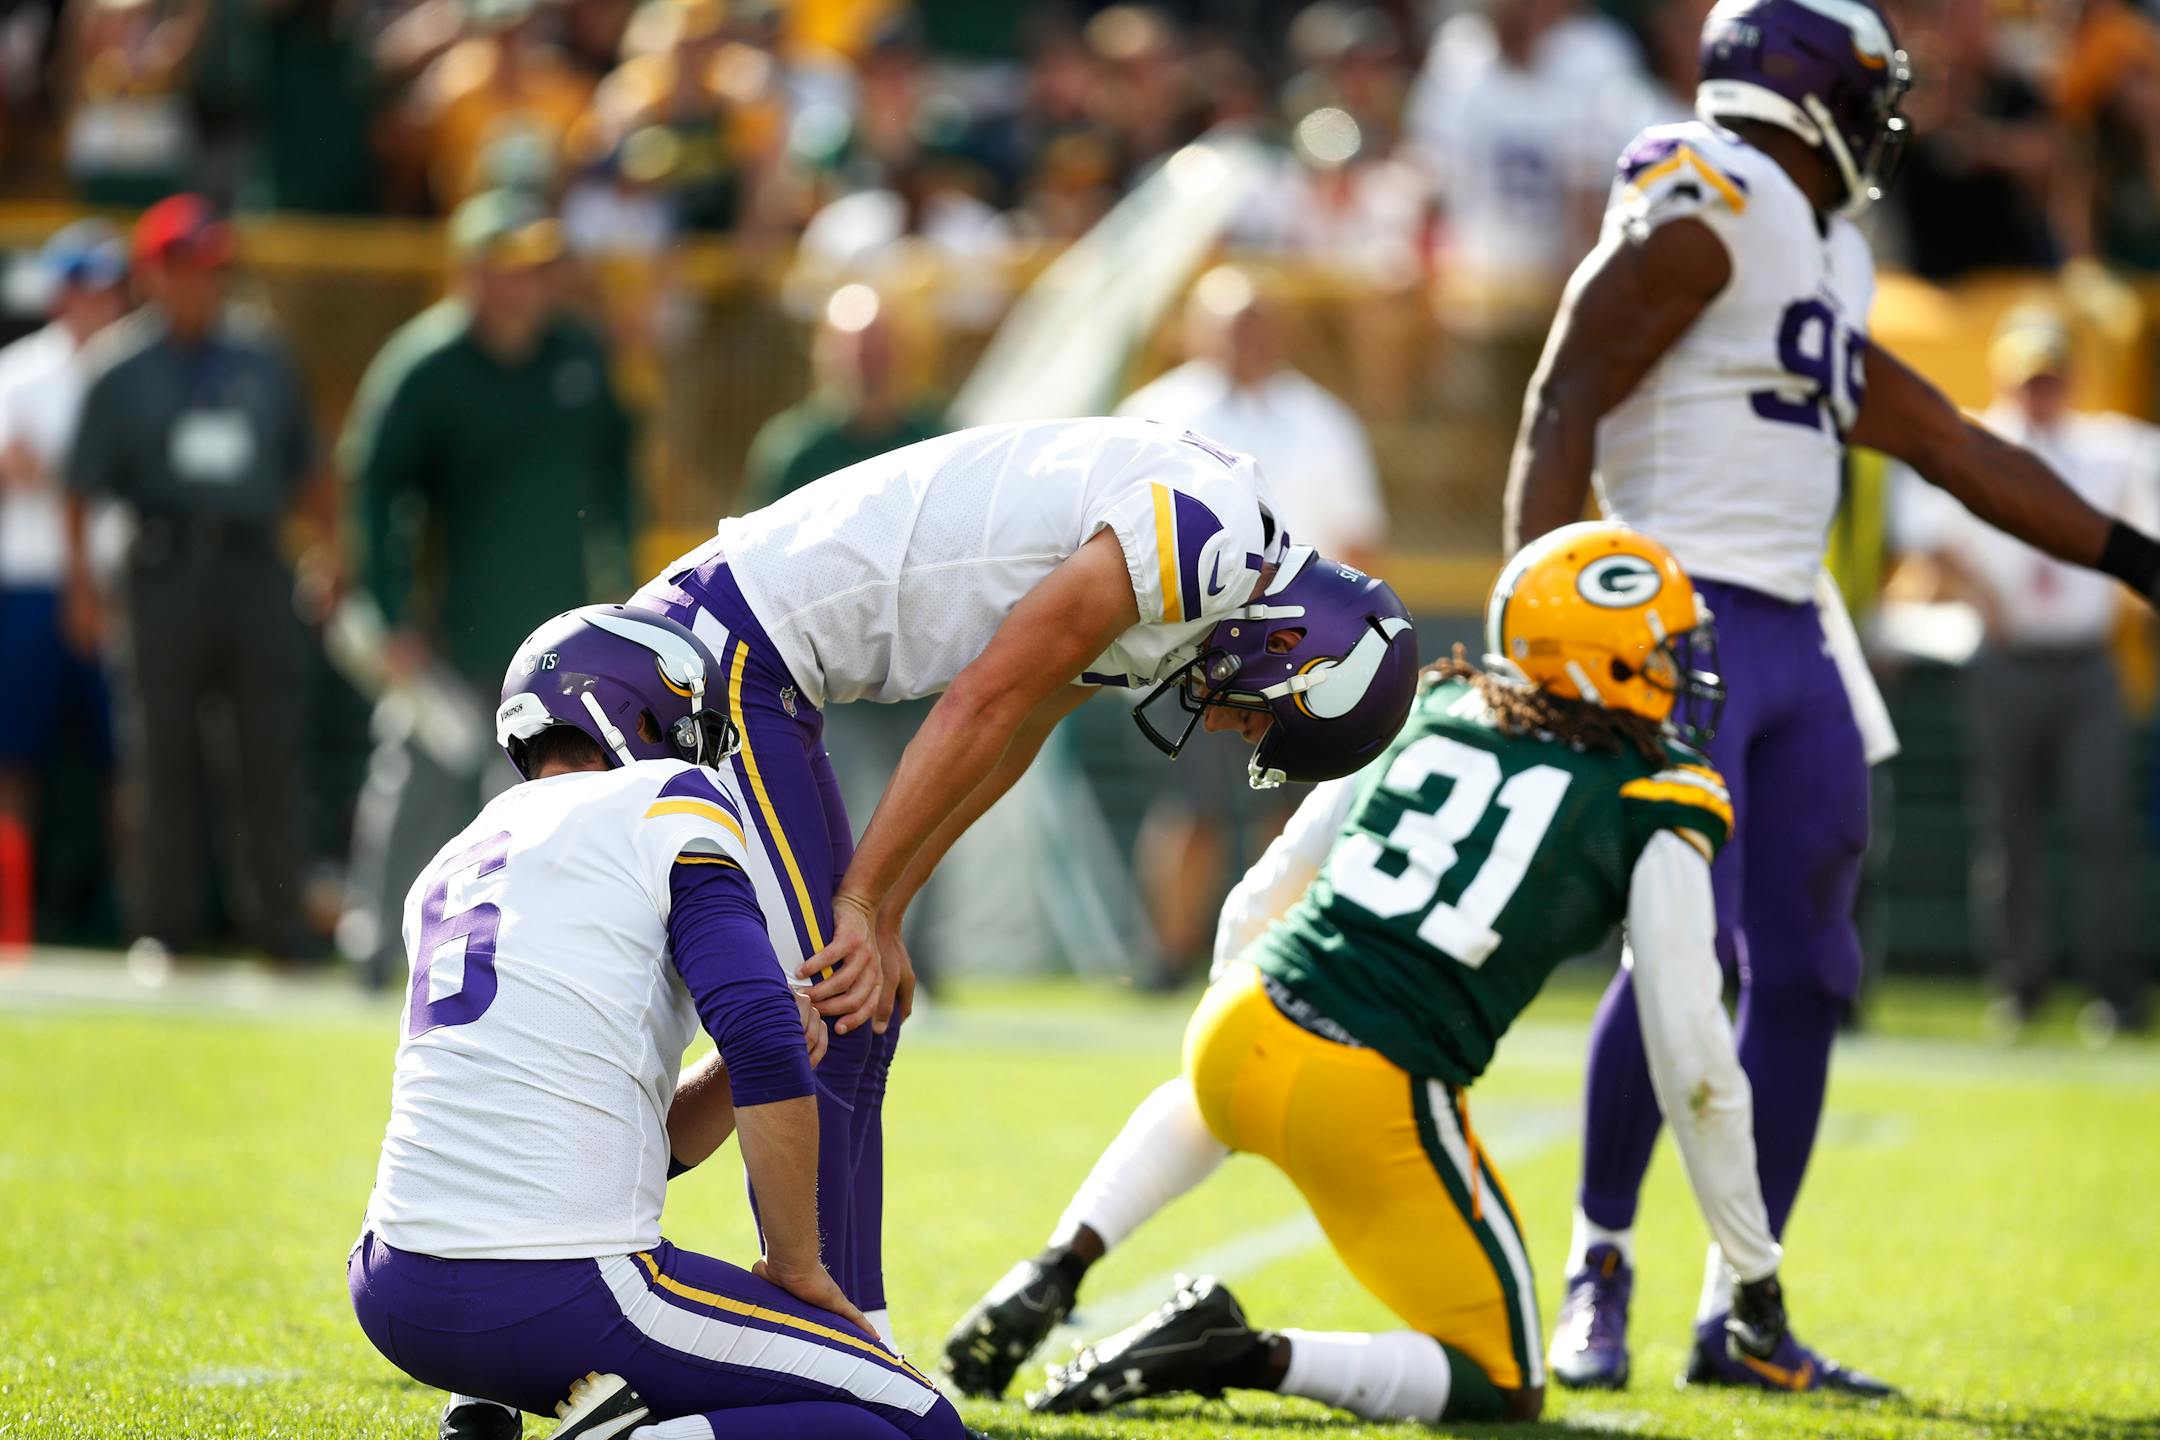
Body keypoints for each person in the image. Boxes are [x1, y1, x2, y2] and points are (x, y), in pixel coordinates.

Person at [1501, 0, 2160, 1390]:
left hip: (1798, 628)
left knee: (1808, 966)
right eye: (1867, 95)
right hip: (1671, 618)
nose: (1882, 124)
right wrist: (1531, 628)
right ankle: (1598, 1260)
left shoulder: (1823, 247)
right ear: (1809, 93)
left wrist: (2138, 558)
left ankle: (1744, 1311)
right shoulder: (1704, 183)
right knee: (1678, 953)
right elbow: (1566, 389)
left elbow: (1949, 444)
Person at [945, 524, 1882, 1422]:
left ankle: (1051, 1271)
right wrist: (1752, 1274)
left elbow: (1265, 889)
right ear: (1610, 659)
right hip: (1376, 1088)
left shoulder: (1432, 704)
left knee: (1221, 1077)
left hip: (1248, 1016)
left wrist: (1242, 1028)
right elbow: (1696, 1060)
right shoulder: (1656, 794)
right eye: (1667, 651)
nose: (1684, 674)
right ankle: (1239, 1351)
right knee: (1507, 1382)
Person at [626, 416, 1420, 1359]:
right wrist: (861, 902)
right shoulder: (1203, 544)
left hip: (775, 666)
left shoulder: (1211, 569)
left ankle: (841, 1337)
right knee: (831, 1003)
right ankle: (827, 1352)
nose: (1227, 731)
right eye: (1258, 722)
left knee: (858, 1008)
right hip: (729, 644)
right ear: (1294, 650)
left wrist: (892, 906)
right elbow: (981, 700)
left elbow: (1018, 732)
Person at [350, 604, 971, 1440]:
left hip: (394, 1290)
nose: (699, 750)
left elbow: (598, 1131)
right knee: (921, 1422)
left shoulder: (457, 855)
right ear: (638, 714)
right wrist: (796, 1266)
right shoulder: (663, 796)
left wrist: (733, 1061)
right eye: (689, 724)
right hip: (560, 1291)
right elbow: (756, 1032)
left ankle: (487, 1407)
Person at [341, 188, 635, 990]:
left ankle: (527, 960)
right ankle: (377, 950)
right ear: (469, 275)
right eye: (507, 269)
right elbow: (372, 488)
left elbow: (616, 477)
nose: (523, 287)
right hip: (451, 624)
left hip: (559, 632)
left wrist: (626, 596)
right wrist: (392, 610)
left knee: (553, 799)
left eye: (537, 269)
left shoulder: (579, 358)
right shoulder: (426, 367)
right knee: (422, 778)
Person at [65, 195, 334, 965]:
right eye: (187, 265)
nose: (203, 282)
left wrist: (327, 553)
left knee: (269, 747)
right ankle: (164, 927)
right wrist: (82, 586)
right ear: (154, 272)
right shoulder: (119, 368)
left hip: (254, 565)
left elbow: (307, 466)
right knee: (162, 752)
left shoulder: (262, 355)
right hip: (162, 568)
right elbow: (81, 487)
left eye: (215, 267)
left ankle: (277, 927)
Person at [1116, 265, 1390, 976]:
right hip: (1189, 643)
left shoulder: (1320, 418)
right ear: (1198, 330)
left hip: (1300, 646)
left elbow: (1358, 539)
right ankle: (1168, 958)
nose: (1247, 338)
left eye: (1258, 323)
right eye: (1233, 323)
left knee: (1293, 812)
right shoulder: (1158, 408)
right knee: (1191, 808)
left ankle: (1279, 951)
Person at [1896, 309, 2156, 1038]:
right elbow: (1925, 539)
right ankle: (2020, 986)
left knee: (2103, 828)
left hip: (2085, 662)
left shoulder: (2113, 449)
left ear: (2069, 381)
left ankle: (2116, 989)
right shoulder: (1978, 441)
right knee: (2008, 833)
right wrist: (1985, 595)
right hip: (2006, 661)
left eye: (2050, 379)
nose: (2039, 394)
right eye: (2028, 380)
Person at [0, 221, 130, 946]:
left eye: (108, 288)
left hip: (116, 584)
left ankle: (133, 916)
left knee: (128, 761)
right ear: (60, 294)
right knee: (11, 757)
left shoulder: (136, 369)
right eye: (85, 287)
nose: (98, 303)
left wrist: (48, 476)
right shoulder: (17, 371)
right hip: (26, 584)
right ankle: (9, 914)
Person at [739, 284, 947, 512]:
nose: (868, 368)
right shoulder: (792, 449)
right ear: (825, 354)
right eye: (858, 354)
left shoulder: (935, 441)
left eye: (879, 352)